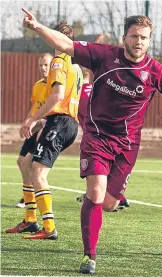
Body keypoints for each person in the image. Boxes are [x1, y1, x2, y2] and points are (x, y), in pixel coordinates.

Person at [22, 10, 162, 273]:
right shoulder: (105, 56)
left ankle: (106, 198)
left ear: (149, 41)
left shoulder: (156, 71)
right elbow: (65, 45)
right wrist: (37, 26)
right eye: (133, 36)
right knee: (95, 194)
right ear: (124, 37)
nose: (138, 41)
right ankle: (89, 256)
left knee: (109, 203)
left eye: (143, 37)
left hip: (128, 146)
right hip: (97, 137)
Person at [5, 20, 83, 240]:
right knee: (27, 163)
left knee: (38, 173)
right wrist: (40, 122)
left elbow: (57, 97)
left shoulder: (59, 61)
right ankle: (31, 220)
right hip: (65, 123)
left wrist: (32, 120)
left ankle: (48, 227)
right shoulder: (75, 65)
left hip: (60, 122)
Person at [76, 66, 130, 211]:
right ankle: (115, 197)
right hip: (107, 135)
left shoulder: (82, 92)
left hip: (96, 137)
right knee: (101, 169)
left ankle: (114, 197)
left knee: (96, 168)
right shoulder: (97, 90)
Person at [15, 53, 53, 209]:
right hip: (34, 127)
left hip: (45, 128)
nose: (43, 68)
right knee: (20, 161)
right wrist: (27, 121)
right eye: (41, 65)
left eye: (46, 65)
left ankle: (31, 199)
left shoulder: (56, 86)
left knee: (28, 164)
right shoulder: (38, 85)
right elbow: (35, 106)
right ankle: (29, 195)